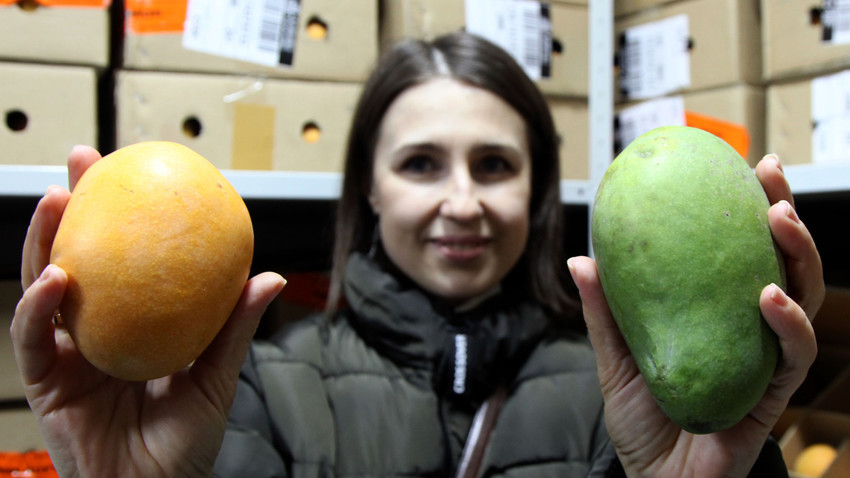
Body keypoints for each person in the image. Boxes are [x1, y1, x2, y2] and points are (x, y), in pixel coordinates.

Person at [12, 32, 823, 477]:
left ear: (537, 191)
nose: (462, 202)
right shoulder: (254, 391)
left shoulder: (626, 407)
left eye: (496, 166)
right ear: (369, 188)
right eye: (421, 163)